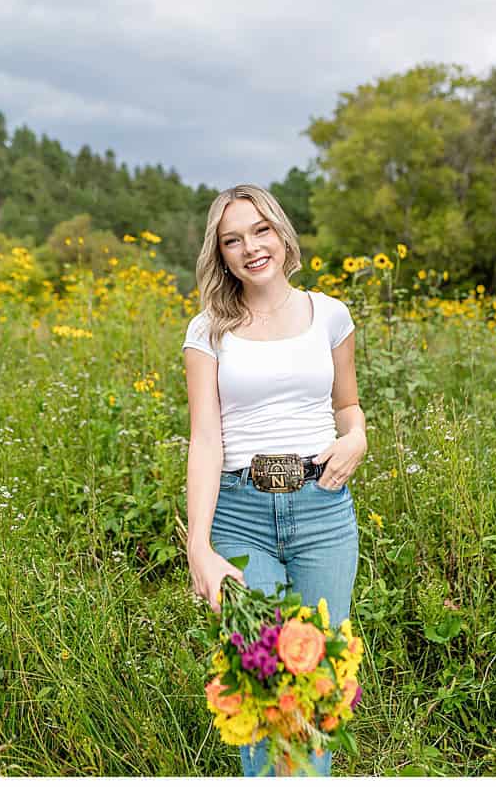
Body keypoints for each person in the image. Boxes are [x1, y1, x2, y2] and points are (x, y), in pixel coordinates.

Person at [182, 185, 366, 776]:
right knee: (262, 678)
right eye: (232, 240)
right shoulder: (208, 329)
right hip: (241, 513)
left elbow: (348, 407)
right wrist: (199, 550)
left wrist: (357, 438)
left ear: (282, 234)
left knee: (316, 678)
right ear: (221, 253)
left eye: (260, 231)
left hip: (322, 511)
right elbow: (206, 441)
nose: (250, 248)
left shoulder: (330, 314)